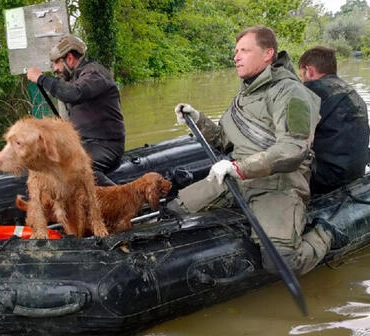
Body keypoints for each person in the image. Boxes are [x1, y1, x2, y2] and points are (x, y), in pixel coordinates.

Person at [168, 25, 346, 276]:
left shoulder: (291, 92)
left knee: (282, 262)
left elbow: (293, 149)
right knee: (175, 209)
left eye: (244, 50)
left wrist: (239, 167)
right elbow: (223, 140)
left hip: (277, 183)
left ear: (268, 54)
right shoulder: (244, 94)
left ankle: (324, 233)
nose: (236, 56)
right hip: (236, 176)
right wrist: (197, 119)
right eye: (236, 51)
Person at [26, 34, 125, 186]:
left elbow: (74, 93)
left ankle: (121, 203)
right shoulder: (74, 77)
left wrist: (41, 79)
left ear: (70, 58)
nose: (55, 68)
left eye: (56, 63)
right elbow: (65, 89)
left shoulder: (94, 74)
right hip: (84, 143)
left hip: (106, 145)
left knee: (80, 170)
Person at [298, 46, 369, 195]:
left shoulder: (311, 91)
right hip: (355, 174)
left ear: (309, 71)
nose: (302, 80)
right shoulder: (352, 91)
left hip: (325, 181)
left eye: (302, 75)